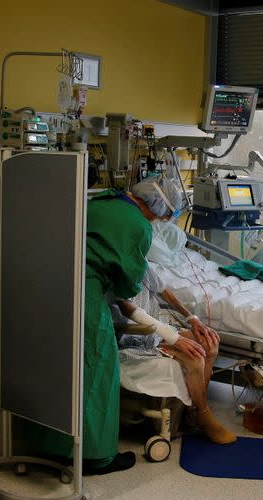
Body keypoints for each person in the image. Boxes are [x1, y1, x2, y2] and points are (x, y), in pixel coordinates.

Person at [31, 177, 179, 475]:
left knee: (53, 368)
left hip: (43, 287)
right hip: (83, 294)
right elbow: (127, 285)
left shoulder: (98, 203)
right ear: (155, 206)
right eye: (162, 216)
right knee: (97, 367)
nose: (159, 221)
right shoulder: (138, 227)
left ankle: (49, 447)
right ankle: (97, 457)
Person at [114, 265, 236, 445]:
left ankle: (192, 412)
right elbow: (128, 308)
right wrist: (174, 338)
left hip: (155, 332)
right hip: (134, 338)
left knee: (210, 344)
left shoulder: (141, 263)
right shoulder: (115, 266)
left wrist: (191, 318)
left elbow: (163, 290)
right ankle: (203, 414)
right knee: (196, 357)